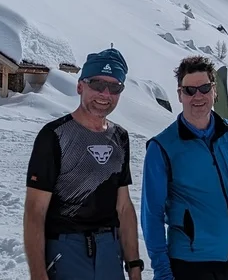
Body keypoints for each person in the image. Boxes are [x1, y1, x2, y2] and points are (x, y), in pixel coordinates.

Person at [141, 55, 228, 280]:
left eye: (204, 88)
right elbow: (151, 215)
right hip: (193, 267)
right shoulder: (162, 147)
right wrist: (163, 273)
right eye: (190, 90)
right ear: (180, 95)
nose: (198, 96)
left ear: (214, 92)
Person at [24, 48, 146, 280]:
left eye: (114, 87)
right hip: (66, 252)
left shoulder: (120, 137)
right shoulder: (54, 135)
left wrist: (134, 265)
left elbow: (123, 206)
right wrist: (38, 274)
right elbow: (35, 211)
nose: (105, 93)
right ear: (80, 86)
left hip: (110, 254)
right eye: (97, 84)